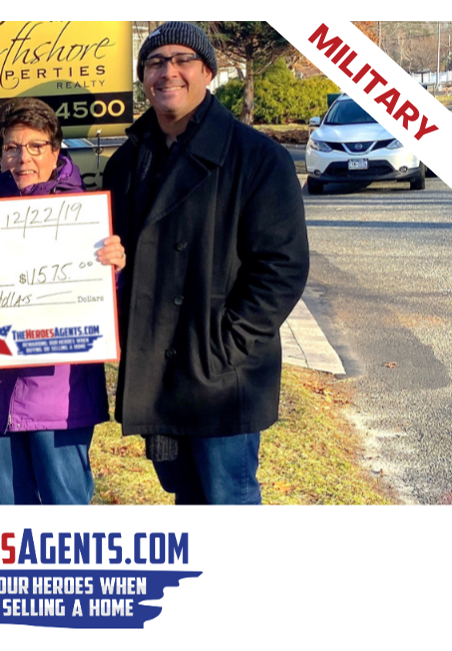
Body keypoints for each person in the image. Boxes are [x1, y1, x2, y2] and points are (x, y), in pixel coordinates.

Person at [103, 21, 310, 505]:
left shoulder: (256, 157)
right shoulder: (128, 162)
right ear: (143, 78)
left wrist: (226, 347)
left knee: (229, 502)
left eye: (181, 60)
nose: (167, 72)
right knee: (186, 500)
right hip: (158, 369)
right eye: (155, 62)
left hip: (221, 374)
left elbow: (281, 268)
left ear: (208, 72)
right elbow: (112, 250)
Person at [0, 97, 125, 505]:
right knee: (12, 510)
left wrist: (114, 269)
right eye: (11, 147)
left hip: (59, 392)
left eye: (35, 146)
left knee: (66, 509)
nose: (22, 157)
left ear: (56, 150)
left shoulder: (86, 215)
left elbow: (110, 304)